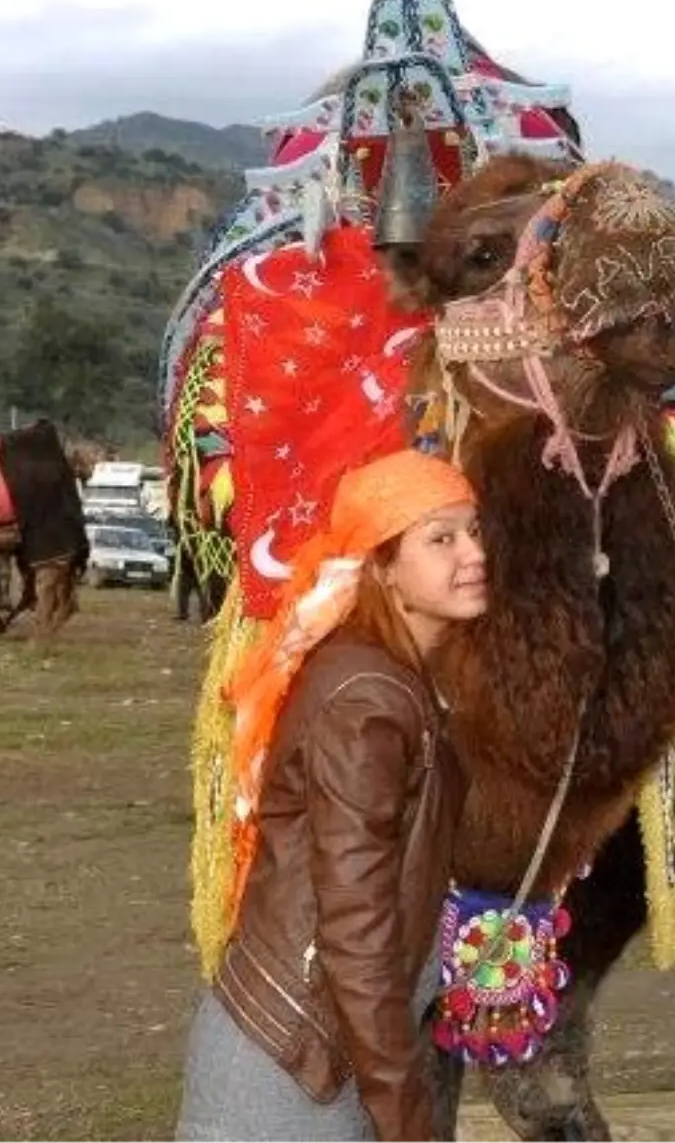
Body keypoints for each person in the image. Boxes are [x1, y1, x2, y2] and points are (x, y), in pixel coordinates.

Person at [176, 449, 487, 1143]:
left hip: (337, 1045)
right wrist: (407, 1111)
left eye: (474, 531)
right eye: (442, 538)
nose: (473, 554)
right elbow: (355, 926)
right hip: (292, 1066)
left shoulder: (397, 676)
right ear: (381, 567)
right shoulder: (367, 701)